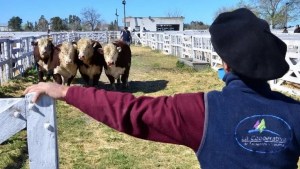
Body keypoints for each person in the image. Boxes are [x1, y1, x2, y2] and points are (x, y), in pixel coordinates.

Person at [24, 8, 300, 169]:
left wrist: (65, 91)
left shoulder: (202, 111)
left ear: (224, 64)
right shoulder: (294, 113)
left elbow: (130, 111)